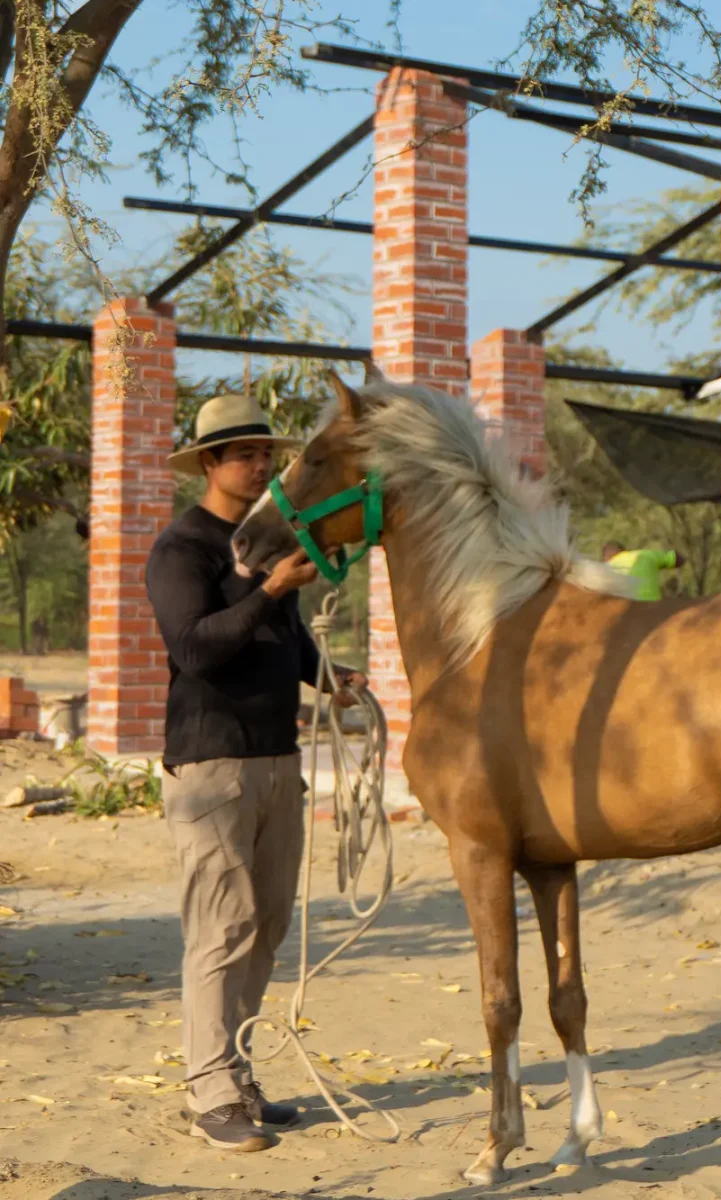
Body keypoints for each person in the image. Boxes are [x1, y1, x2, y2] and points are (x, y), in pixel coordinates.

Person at [146, 394, 367, 1153]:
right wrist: (269, 587)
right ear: (209, 464)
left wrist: (327, 675)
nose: (261, 465)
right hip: (212, 763)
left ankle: (237, 1079)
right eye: (245, 455)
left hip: (278, 759)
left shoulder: (270, 536)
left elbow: (286, 636)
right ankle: (210, 1094)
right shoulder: (183, 549)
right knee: (222, 928)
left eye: (267, 454)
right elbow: (196, 651)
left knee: (266, 924)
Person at [602, 540, 685, 601]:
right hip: (655, 611)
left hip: (626, 614)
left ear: (606, 558)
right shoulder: (645, 555)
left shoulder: (605, 570)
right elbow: (679, 558)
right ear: (625, 551)